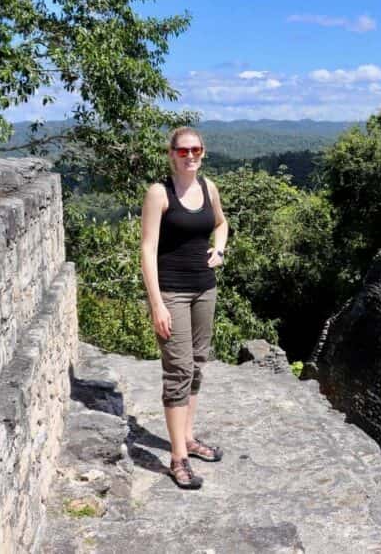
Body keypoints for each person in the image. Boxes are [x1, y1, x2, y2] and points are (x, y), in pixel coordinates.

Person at [140, 126, 228, 490]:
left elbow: (221, 224)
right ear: (171, 154)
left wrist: (219, 250)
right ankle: (178, 457)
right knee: (178, 371)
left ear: (203, 152)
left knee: (197, 365)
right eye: (182, 151)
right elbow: (147, 249)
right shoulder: (159, 193)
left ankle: (188, 438)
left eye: (196, 149)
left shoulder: (209, 188)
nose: (190, 155)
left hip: (204, 290)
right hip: (172, 292)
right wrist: (156, 303)